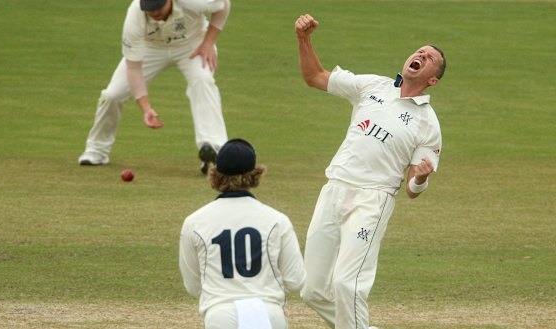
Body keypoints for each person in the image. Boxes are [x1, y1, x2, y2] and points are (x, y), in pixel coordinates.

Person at [294, 14, 446, 329]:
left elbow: (412, 191)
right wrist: (303, 39)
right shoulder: (372, 86)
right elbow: (315, 77)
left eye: (429, 58)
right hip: (334, 189)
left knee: (347, 286)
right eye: (419, 51)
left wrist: (420, 177)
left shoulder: (427, 123)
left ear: (433, 79)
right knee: (311, 289)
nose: (420, 55)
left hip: (372, 201)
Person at [78, 0, 231, 174]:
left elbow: (224, 4)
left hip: (192, 44)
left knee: (203, 80)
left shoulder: (192, 2)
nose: (154, 12)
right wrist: (146, 107)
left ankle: (214, 149)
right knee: (113, 94)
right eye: (149, 8)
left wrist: (208, 43)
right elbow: (134, 67)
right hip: (151, 48)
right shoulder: (135, 14)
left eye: (158, 6)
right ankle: (96, 150)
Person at [179, 138, 306, 329]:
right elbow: (295, 281)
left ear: (215, 173)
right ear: (255, 174)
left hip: (220, 316)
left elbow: (193, 286)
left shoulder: (194, 222)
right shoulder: (277, 220)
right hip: (269, 314)